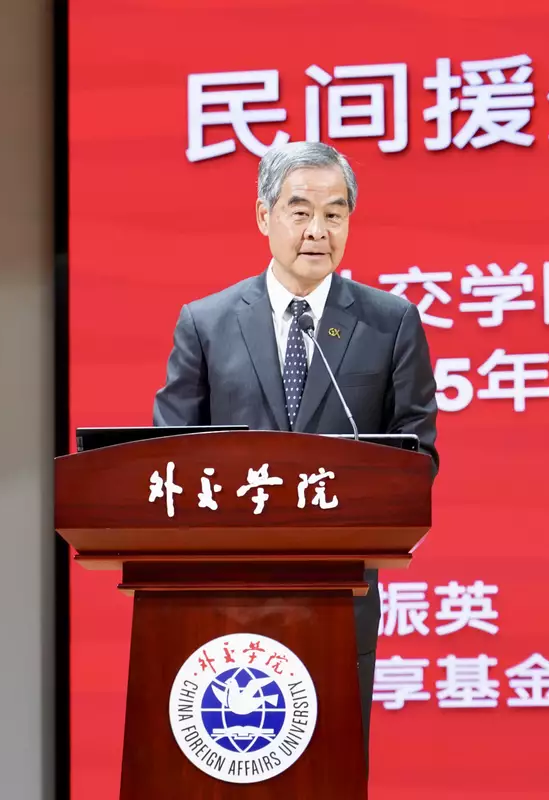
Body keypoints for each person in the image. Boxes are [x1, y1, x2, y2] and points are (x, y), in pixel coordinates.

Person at [152, 140, 439, 767]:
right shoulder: (206, 323)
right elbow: (168, 457)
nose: (318, 231)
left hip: (339, 592)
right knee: (228, 767)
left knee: (332, 768)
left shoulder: (389, 323)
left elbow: (416, 455)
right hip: (222, 595)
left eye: (335, 214)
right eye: (300, 211)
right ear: (265, 216)